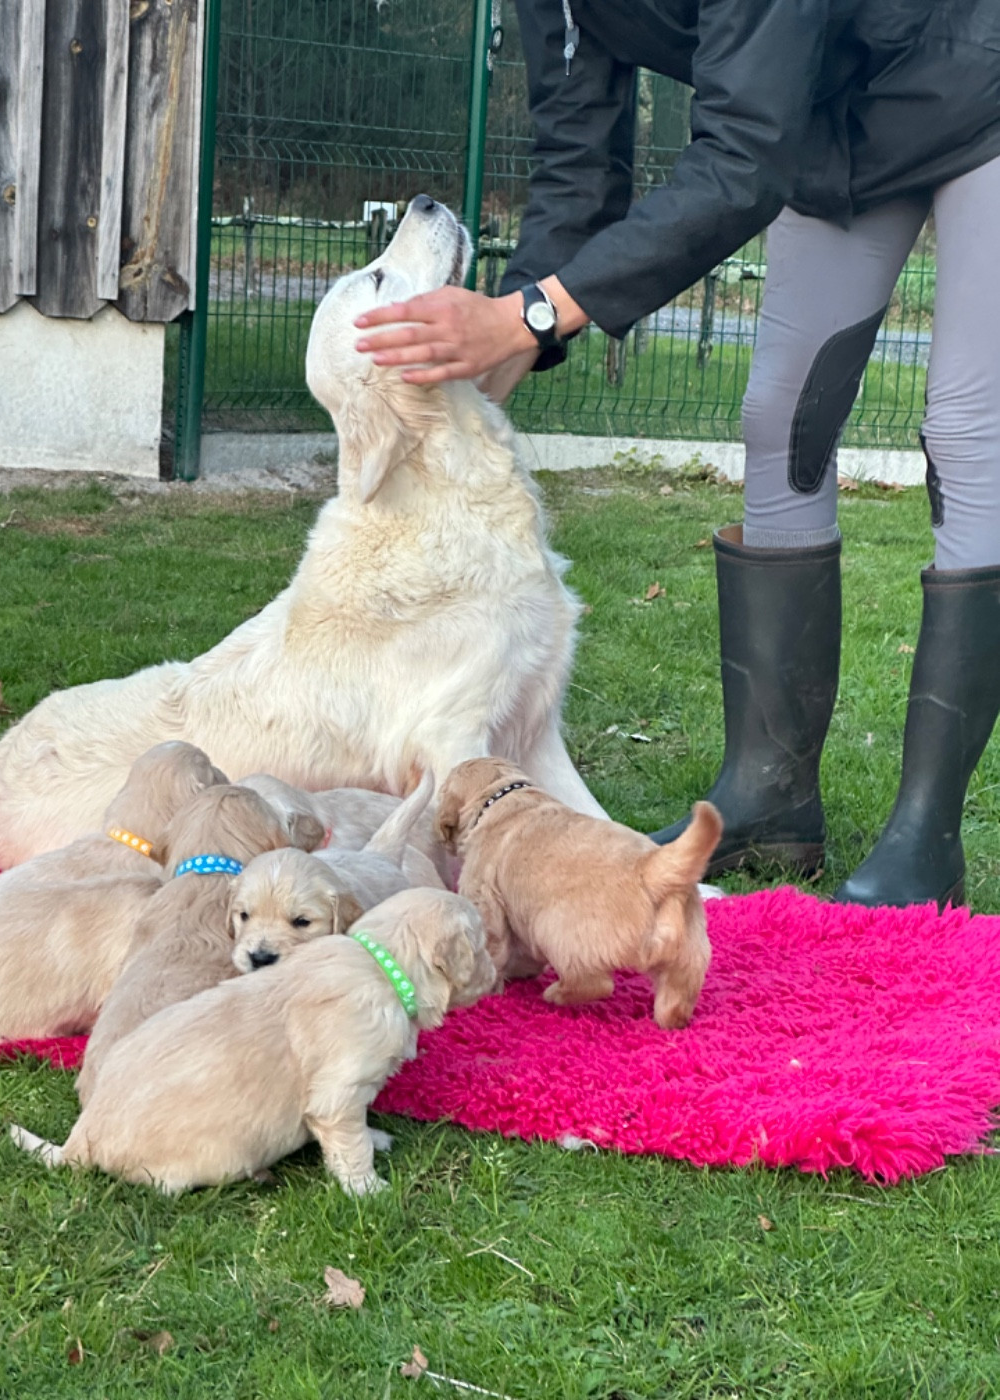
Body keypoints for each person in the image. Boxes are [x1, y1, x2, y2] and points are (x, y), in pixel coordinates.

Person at [354, 0, 1000, 911]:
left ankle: (926, 834)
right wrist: (503, 352)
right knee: (781, 417)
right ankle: (771, 795)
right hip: (831, 133)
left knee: (970, 430)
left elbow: (741, 157)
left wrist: (524, 315)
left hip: (975, 84)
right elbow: (576, 169)